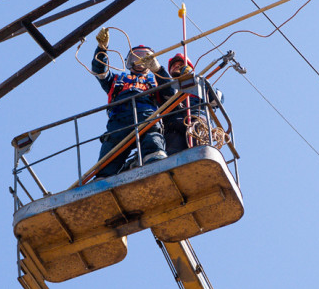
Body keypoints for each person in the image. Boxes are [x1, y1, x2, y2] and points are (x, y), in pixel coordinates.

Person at [91, 27, 175, 178]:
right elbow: (99, 70)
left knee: (153, 143)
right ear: (129, 62)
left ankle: (157, 168)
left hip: (148, 118)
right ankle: (103, 180)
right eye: (135, 58)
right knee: (109, 157)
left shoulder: (157, 80)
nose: (139, 61)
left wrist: (158, 69)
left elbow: (171, 94)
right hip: (119, 122)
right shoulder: (117, 80)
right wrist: (101, 49)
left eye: (145, 58)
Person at [163, 53, 223, 155]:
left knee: (199, 148)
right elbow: (165, 93)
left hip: (197, 119)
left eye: (180, 64)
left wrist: (199, 82)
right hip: (174, 124)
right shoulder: (170, 89)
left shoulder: (200, 85)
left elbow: (217, 99)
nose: (176, 66)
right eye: (173, 65)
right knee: (173, 152)